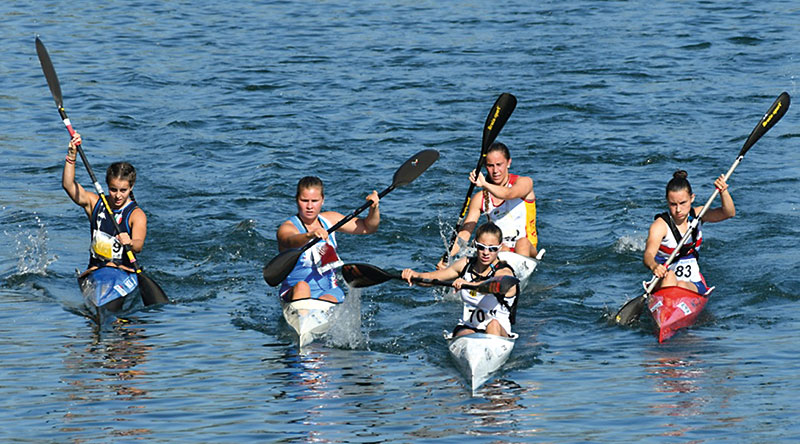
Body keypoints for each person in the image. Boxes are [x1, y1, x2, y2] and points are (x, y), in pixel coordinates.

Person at [403, 222, 518, 338]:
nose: (486, 253)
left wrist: (468, 284)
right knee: (465, 334)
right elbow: (433, 278)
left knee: (493, 324)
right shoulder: (465, 264)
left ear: (500, 248)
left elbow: (491, 286)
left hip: (498, 332)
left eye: (492, 248)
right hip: (468, 327)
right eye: (481, 247)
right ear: (475, 244)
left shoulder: (504, 272)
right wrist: (414, 276)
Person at [278, 176, 380, 303]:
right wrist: (310, 235)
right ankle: (303, 317)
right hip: (294, 291)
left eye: (314, 201)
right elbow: (289, 240)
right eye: (304, 200)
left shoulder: (330, 220)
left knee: (327, 299)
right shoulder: (287, 227)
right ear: (297, 200)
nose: (309, 206)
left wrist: (374, 208)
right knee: (302, 286)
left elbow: (368, 227)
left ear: (322, 201)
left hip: (328, 290)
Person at [62, 132, 147, 277]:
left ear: (131, 187)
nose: (118, 195)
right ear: (107, 186)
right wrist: (71, 156)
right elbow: (68, 185)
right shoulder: (95, 203)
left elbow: (138, 245)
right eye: (113, 190)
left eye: (123, 190)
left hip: (123, 272)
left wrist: (130, 242)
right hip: (95, 272)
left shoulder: (136, 215)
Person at [441, 142, 537, 268]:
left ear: (509, 163)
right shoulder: (480, 198)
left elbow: (508, 193)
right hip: (498, 249)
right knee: (493, 247)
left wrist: (485, 184)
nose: (495, 170)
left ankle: (518, 277)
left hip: (527, 248)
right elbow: (465, 234)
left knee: (522, 242)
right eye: (490, 166)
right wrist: (446, 259)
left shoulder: (525, 183)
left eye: (499, 165)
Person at [643, 170, 735, 294]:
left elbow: (728, 213)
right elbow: (648, 255)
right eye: (673, 204)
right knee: (670, 276)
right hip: (663, 282)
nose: (678, 209)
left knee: (681, 284)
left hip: (693, 282)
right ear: (667, 201)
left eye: (683, 203)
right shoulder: (660, 226)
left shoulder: (699, 215)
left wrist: (723, 192)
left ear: (692, 198)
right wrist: (654, 266)